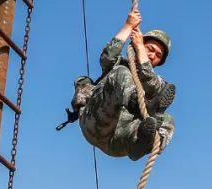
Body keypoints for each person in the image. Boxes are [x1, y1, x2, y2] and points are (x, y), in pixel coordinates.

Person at [68, 10, 175, 160]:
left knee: (168, 121)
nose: (153, 56)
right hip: (96, 123)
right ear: (139, 43)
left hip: (120, 141)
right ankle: (136, 103)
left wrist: (142, 53)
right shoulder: (119, 65)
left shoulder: (159, 82)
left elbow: (153, 85)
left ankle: (143, 143)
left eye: (158, 55)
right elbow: (107, 57)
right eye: (150, 49)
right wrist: (128, 26)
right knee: (121, 72)